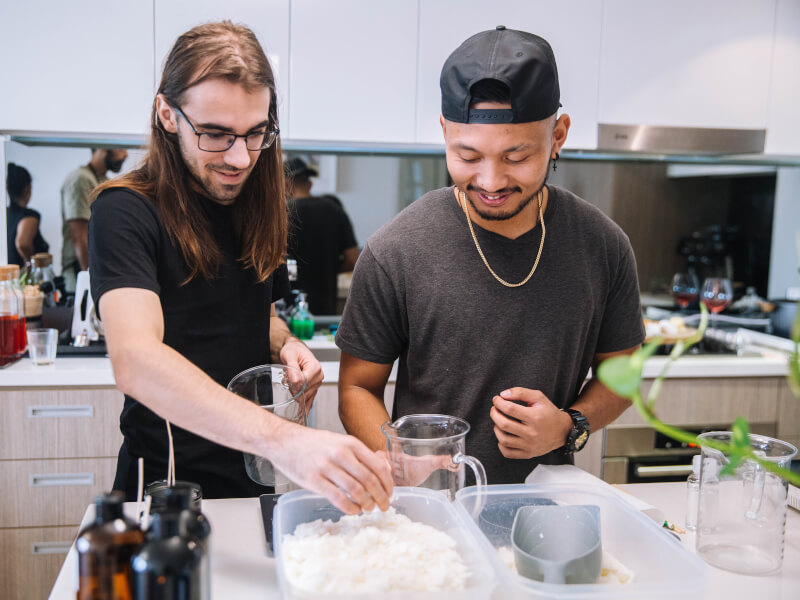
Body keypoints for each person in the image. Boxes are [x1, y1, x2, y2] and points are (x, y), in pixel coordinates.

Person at [88, 21, 392, 513]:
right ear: (167, 114)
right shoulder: (125, 209)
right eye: (215, 134)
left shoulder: (257, 199)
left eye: (256, 133)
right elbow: (136, 359)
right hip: (166, 485)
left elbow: (251, 312)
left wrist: (287, 344)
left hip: (251, 475)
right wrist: (285, 441)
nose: (240, 157)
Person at [336, 27, 645, 485]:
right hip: (431, 508)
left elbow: (624, 375)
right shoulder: (395, 251)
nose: (491, 180)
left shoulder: (603, 246)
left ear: (558, 135)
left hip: (545, 516)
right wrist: (399, 457)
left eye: (516, 156)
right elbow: (357, 387)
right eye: (467, 155)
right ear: (444, 133)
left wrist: (568, 426)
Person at [285, 157, 359, 315]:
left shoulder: (282, 213)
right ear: (309, 184)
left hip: (289, 306)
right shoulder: (334, 210)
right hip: (326, 305)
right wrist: (328, 268)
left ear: (284, 184)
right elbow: (353, 259)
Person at [61, 147, 128, 292]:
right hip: (81, 274)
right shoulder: (81, 178)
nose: (126, 154)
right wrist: (89, 280)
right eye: (121, 149)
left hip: (100, 273)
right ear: (102, 147)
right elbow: (79, 236)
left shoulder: (104, 181)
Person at [6, 163, 49, 266]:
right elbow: (22, 243)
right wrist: (31, 264)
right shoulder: (29, 216)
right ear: (28, 188)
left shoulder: (5, 215)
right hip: (23, 277)